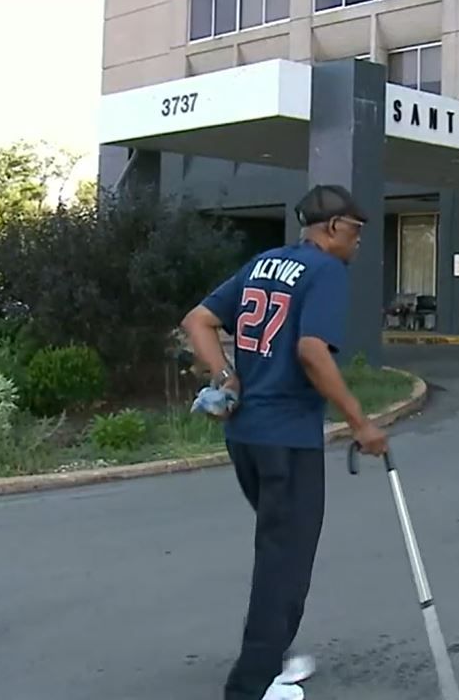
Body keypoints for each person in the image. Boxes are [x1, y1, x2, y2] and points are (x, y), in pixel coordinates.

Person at [181, 184, 389, 700]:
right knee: (285, 559)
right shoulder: (325, 272)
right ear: (334, 227)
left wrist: (225, 374)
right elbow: (312, 353)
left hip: (245, 437)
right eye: (357, 232)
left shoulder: (263, 264)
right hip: (287, 438)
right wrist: (361, 424)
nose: (360, 243)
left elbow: (198, 320)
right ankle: (251, 686)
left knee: (282, 547)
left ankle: (270, 655)